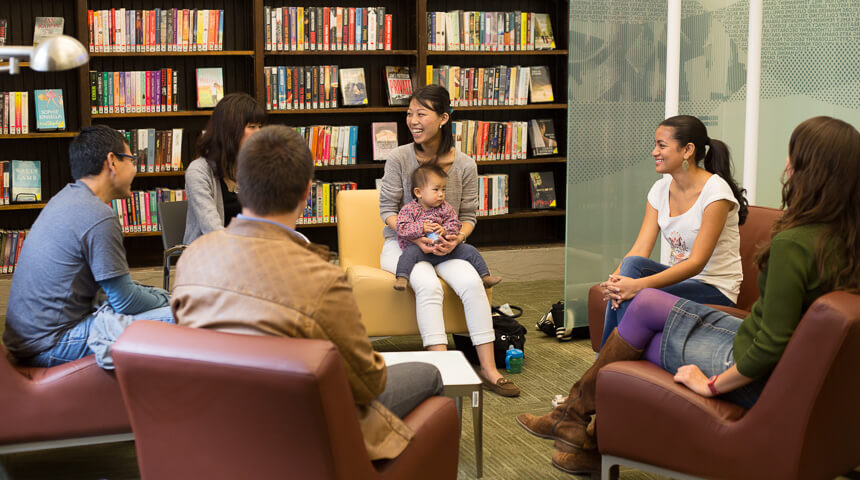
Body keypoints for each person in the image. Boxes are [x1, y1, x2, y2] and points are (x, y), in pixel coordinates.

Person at [516, 116, 860, 474]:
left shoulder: (793, 242)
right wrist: (623, 280)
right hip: (783, 361)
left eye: (793, 156)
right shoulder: (844, 239)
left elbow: (770, 345)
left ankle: (583, 426)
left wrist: (712, 385)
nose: (786, 165)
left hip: (754, 365)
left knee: (636, 335)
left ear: (810, 170)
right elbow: (780, 333)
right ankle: (576, 419)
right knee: (641, 300)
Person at [171, 125, 444, 461]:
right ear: (306, 193)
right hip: (297, 427)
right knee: (431, 374)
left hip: (217, 427)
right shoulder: (322, 279)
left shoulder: (191, 260)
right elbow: (367, 383)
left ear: (241, 187)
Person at [379, 84, 520, 397]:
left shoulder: (466, 164)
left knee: (472, 283)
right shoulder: (399, 158)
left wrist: (457, 238)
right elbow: (387, 211)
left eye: (421, 114)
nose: (413, 121)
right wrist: (416, 237)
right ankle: (442, 372)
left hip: (446, 244)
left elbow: (469, 215)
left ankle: (489, 370)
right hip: (404, 245)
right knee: (427, 286)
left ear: (443, 118)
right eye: (409, 114)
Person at [3, 125, 174, 368]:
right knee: (187, 315)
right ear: (112, 161)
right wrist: (167, 298)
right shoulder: (98, 215)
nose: (135, 168)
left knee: (166, 304)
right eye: (132, 160)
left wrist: (160, 296)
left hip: (27, 341)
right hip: (50, 344)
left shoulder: (65, 198)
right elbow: (124, 302)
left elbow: (115, 291)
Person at [598, 115, 749, 348]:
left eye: (661, 145)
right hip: (682, 282)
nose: (654, 152)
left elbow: (696, 263)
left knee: (635, 287)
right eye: (655, 144)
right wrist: (615, 281)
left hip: (714, 289)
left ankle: (606, 363)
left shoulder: (715, 192)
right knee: (631, 268)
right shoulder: (660, 189)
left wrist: (637, 285)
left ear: (688, 150)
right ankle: (610, 363)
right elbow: (640, 249)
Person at [393, 163, 502, 291]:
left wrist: (445, 230)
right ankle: (402, 278)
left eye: (443, 190)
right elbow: (401, 228)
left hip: (445, 249)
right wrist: (420, 228)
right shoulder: (409, 210)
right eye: (436, 189)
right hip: (421, 250)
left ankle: (485, 277)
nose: (441, 194)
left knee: (470, 250)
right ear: (418, 192)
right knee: (408, 254)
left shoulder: (445, 208)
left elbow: (455, 223)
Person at [184, 92, 265, 244]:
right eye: (252, 127)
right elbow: (212, 229)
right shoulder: (198, 171)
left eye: (260, 126)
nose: (259, 133)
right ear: (230, 130)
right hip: (208, 256)